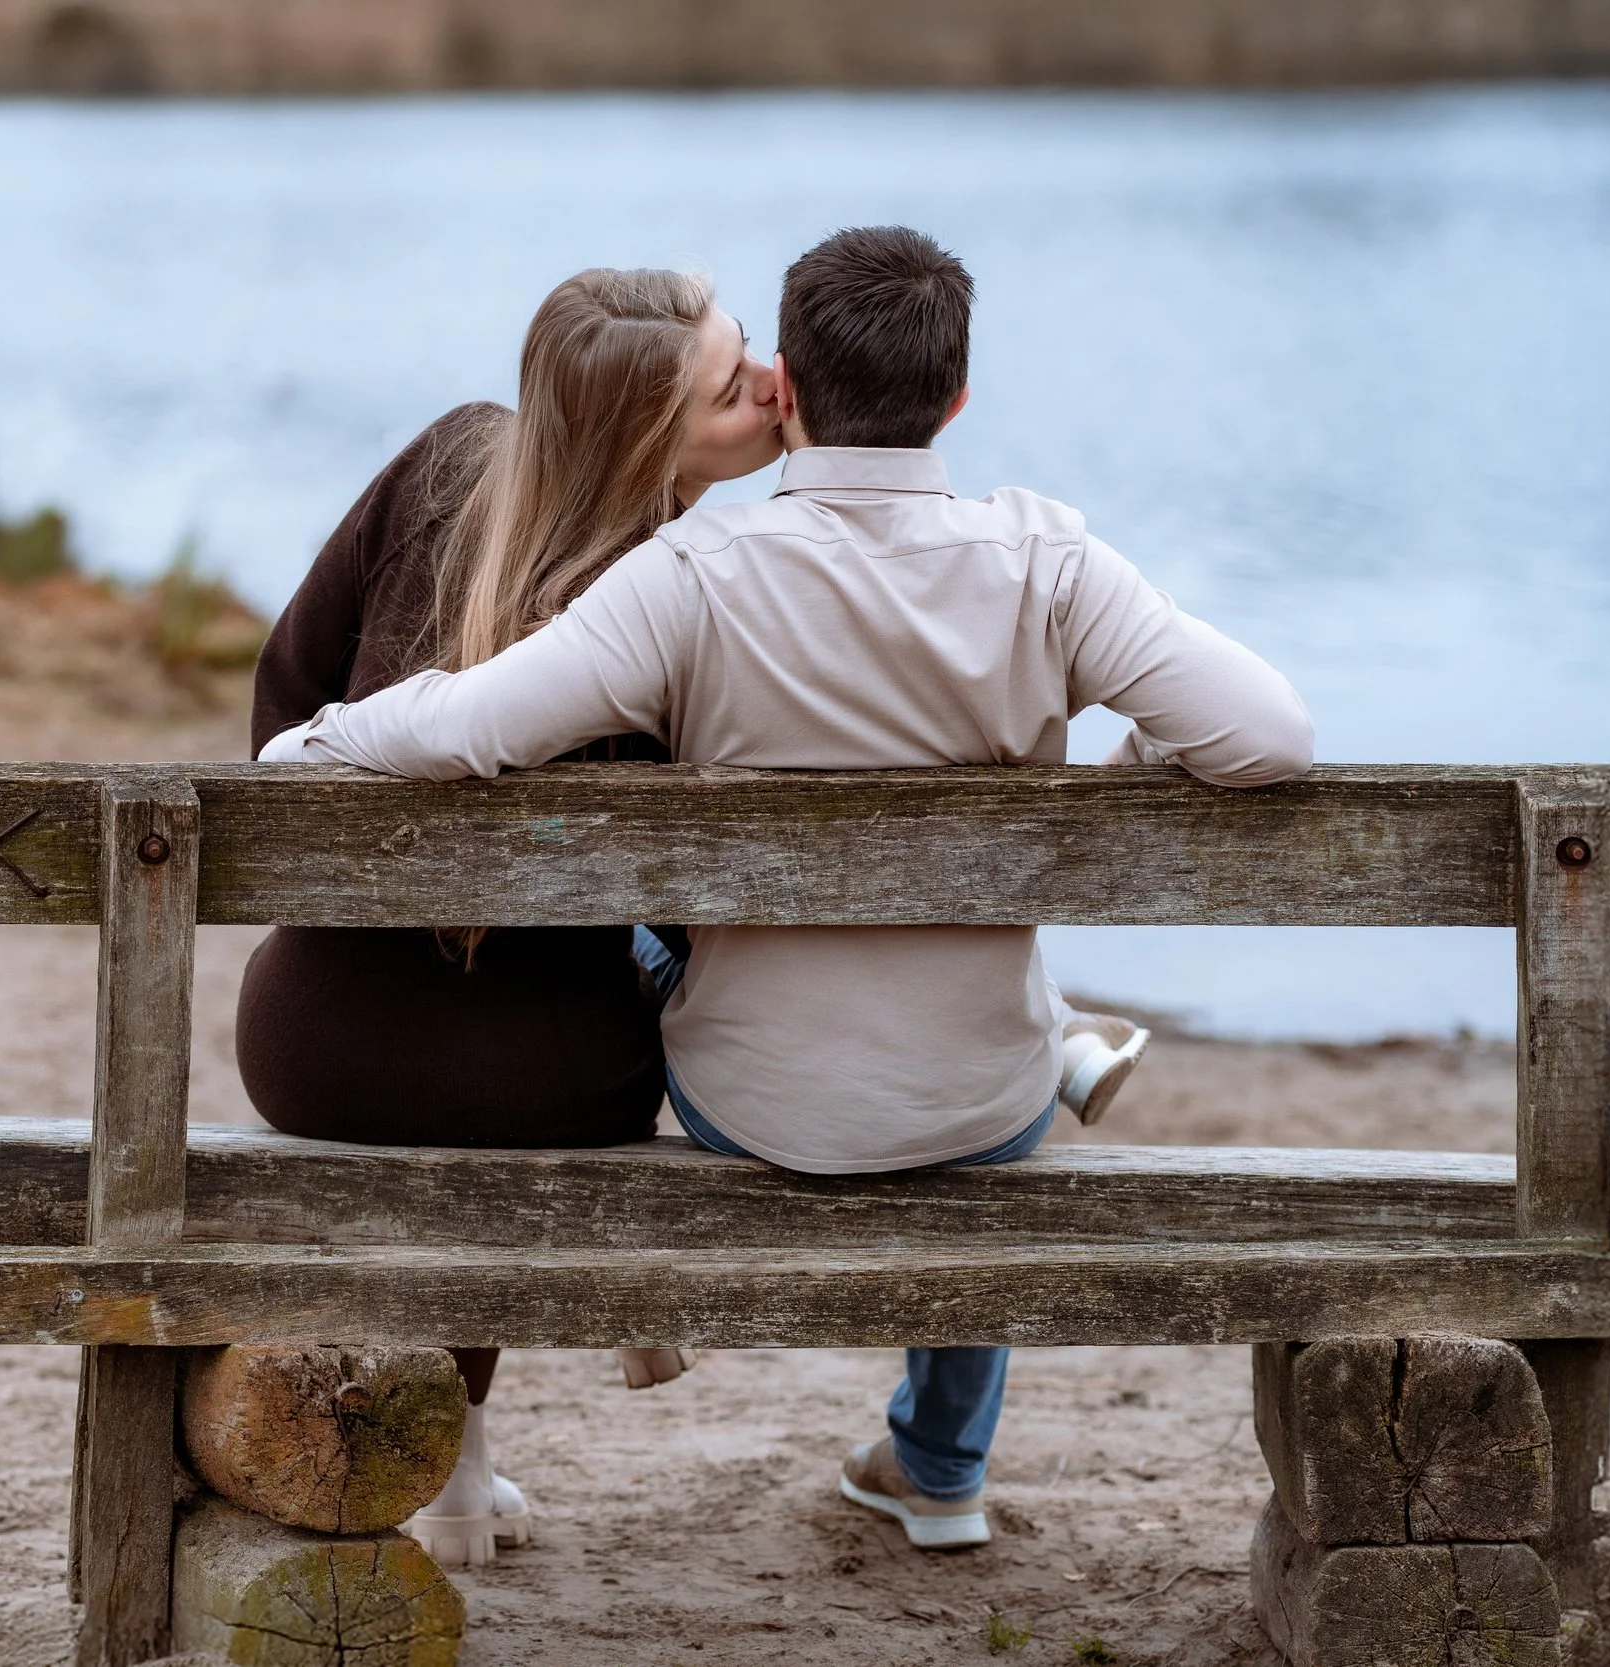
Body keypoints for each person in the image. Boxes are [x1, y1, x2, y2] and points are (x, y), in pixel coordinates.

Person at [260, 226, 1313, 1552]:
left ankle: (1043, 1045)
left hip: (746, 1105)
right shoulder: (1054, 564)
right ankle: (950, 1437)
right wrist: (1142, 759)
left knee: (706, 949)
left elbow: (467, 726)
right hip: (980, 1101)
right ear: (962, 397)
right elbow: (1272, 737)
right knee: (971, 1014)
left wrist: (318, 744)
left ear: (794, 392)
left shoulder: (685, 580)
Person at [238, 266, 786, 1567]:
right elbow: (707, 890)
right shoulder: (674, 591)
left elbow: (282, 700)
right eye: (731, 384)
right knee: (643, 979)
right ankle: (474, 1450)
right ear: (648, 445)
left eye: (751, 348)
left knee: (506, 997)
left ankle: (459, 1463)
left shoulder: (446, 460)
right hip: (553, 1082)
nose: (769, 382)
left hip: (309, 1042)